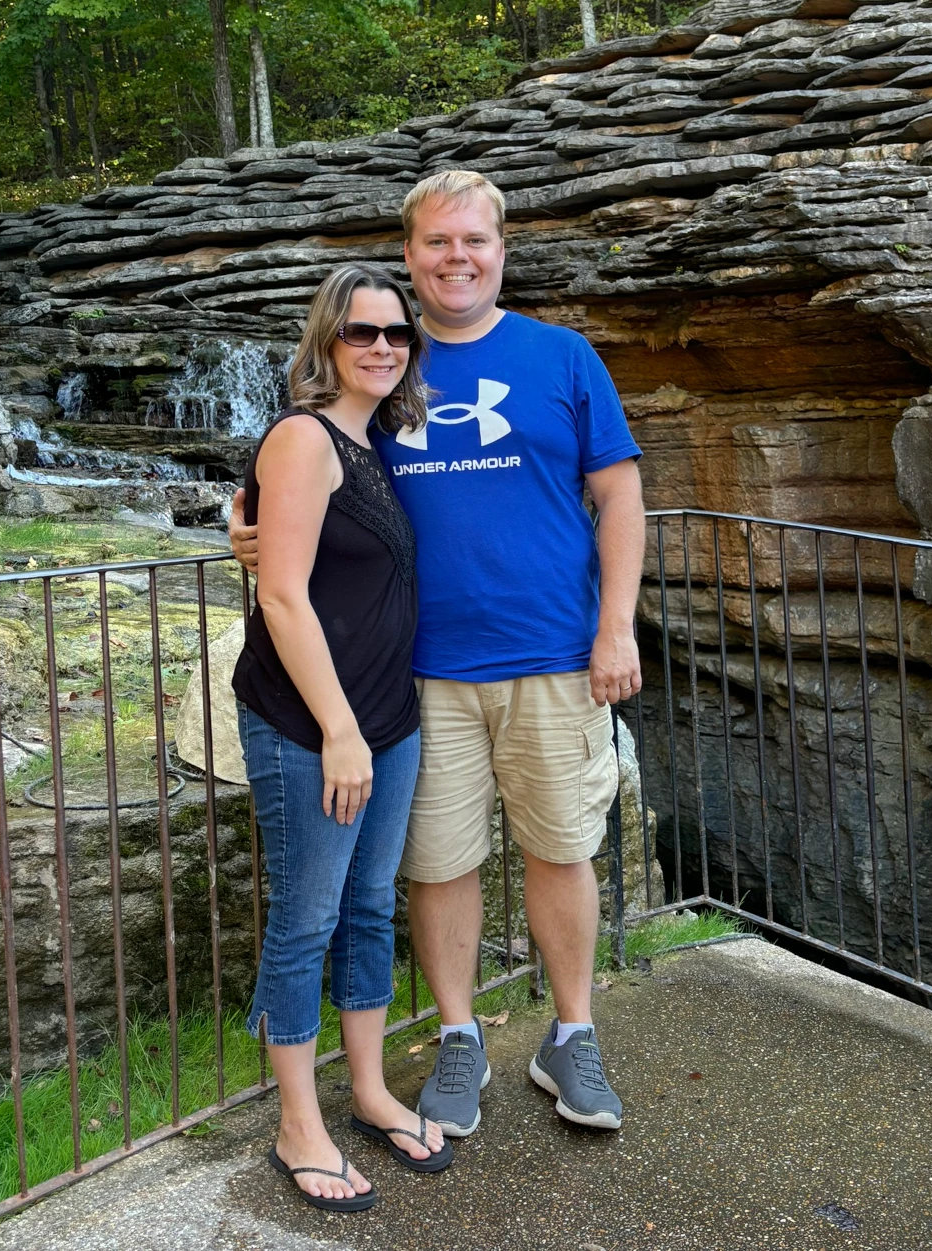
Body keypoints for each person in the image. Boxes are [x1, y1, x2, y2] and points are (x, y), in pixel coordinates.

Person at [230, 170, 645, 1139]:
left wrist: (616, 626)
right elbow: (304, 478)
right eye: (436, 243)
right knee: (439, 864)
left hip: (554, 654)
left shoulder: (563, 356)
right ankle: (458, 1038)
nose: (457, 258)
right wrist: (241, 532)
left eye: (475, 241)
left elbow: (619, 495)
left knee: (562, 848)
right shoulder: (386, 376)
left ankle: (571, 1033)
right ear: (409, 254)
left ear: (501, 250)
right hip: (417, 675)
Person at [232, 261, 452, 1214]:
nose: (381, 347)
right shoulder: (303, 437)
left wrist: (372, 727)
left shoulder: (375, 444)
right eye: (361, 333)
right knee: (308, 916)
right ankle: (297, 1123)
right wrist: (339, 730)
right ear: (326, 341)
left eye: (396, 334)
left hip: (387, 717)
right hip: (311, 724)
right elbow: (280, 591)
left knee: (369, 908)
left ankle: (364, 1090)